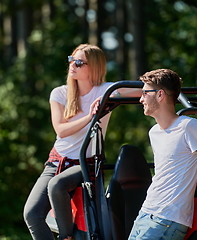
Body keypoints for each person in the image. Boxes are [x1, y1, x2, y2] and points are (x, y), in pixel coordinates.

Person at [24, 44, 123, 240]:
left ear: (93, 67)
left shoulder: (105, 91)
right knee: (32, 214)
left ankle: (66, 237)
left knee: (57, 185)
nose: (72, 65)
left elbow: (140, 92)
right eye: (71, 59)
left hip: (85, 164)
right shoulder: (60, 93)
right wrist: (92, 116)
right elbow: (60, 129)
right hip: (57, 160)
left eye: (79, 62)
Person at [128, 69, 197, 240]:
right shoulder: (154, 132)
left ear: (160, 95)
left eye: (145, 93)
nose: (141, 99)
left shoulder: (188, 126)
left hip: (167, 220)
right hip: (146, 213)